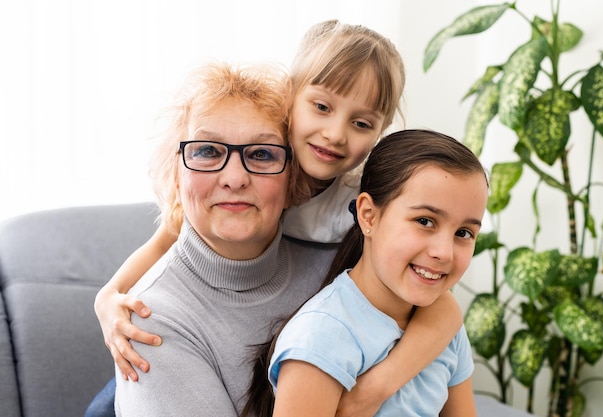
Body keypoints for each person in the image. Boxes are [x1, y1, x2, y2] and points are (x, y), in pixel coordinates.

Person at [88, 20, 463, 417]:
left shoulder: (360, 207)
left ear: (380, 132)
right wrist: (108, 296)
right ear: (290, 103)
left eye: (361, 123)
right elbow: (167, 236)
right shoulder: (252, 161)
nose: (334, 134)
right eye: (321, 107)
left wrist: (377, 387)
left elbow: (440, 304)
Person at [245, 129, 489, 417]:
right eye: (425, 221)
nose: (444, 252)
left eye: (463, 232)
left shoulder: (444, 327)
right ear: (369, 216)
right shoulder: (322, 337)